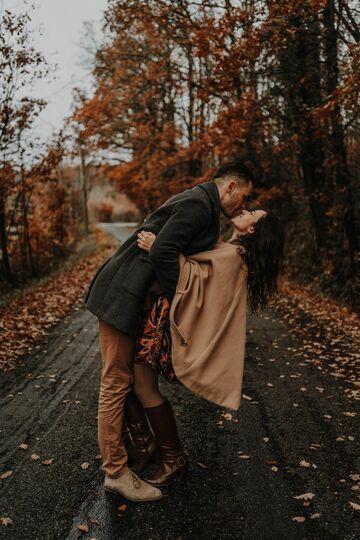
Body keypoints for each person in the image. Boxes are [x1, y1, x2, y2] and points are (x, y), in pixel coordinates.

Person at [84, 160, 255, 501]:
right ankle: (115, 472)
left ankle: (143, 448)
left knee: (130, 378)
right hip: (123, 293)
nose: (244, 205)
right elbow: (163, 252)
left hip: (134, 295)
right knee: (116, 380)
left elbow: (175, 251)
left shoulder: (203, 205)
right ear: (231, 187)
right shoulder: (197, 206)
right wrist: (182, 298)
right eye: (244, 197)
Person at [132, 208, 284, 487]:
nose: (245, 209)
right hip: (166, 316)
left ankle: (171, 455)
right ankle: (149, 446)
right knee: (135, 380)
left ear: (251, 230)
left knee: (142, 384)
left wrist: (159, 247)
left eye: (253, 212)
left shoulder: (234, 257)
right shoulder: (231, 250)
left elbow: (190, 277)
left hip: (169, 321)